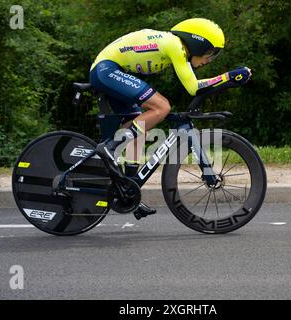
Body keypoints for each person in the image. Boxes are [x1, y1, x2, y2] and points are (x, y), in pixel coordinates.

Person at [89, 18, 252, 219]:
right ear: (198, 42)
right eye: (210, 52)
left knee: (141, 123)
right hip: (107, 69)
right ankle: (110, 147)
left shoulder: (174, 46)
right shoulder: (175, 45)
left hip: (111, 70)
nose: (209, 59)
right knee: (162, 106)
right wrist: (229, 77)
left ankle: (129, 190)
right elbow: (194, 88)